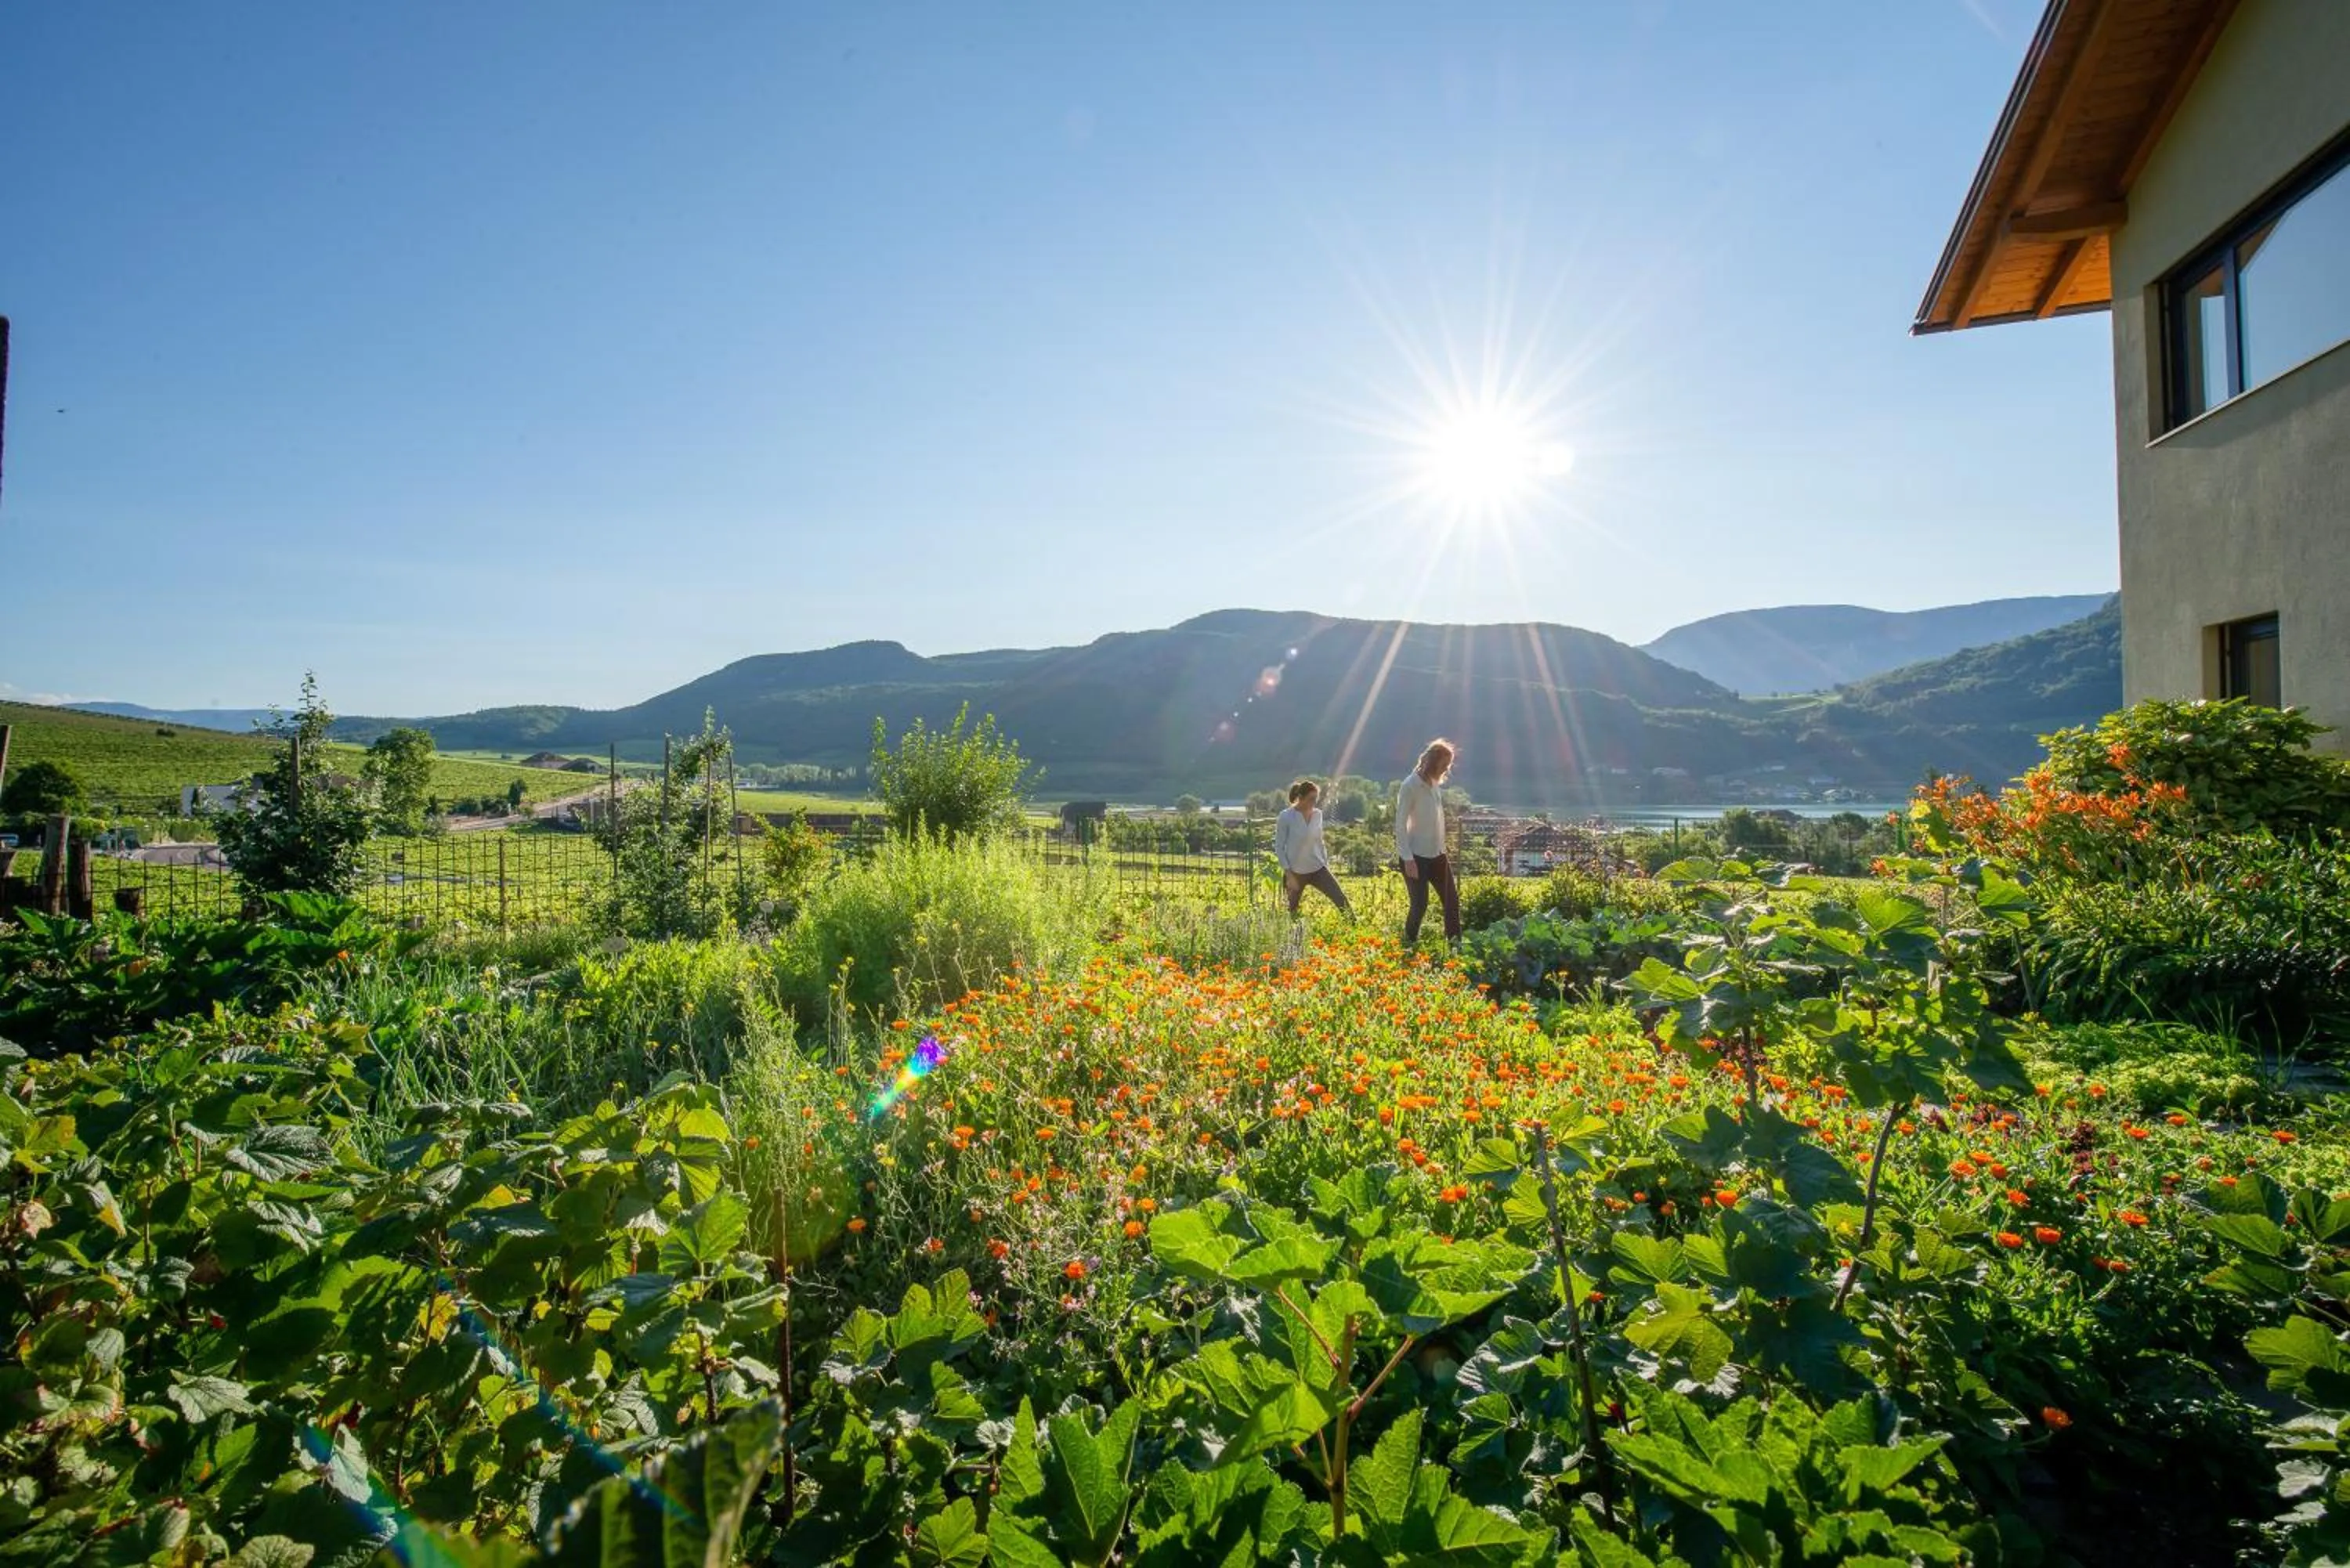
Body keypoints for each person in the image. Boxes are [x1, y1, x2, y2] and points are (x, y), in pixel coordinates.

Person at [1395, 739, 1460, 947]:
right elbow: (1400, 825)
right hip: (1415, 857)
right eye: (1444, 765)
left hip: (1438, 855)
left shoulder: (1434, 783)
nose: (1446, 769)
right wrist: (1408, 859)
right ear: (1433, 763)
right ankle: (1409, 945)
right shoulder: (1410, 786)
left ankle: (1455, 946)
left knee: (1452, 902)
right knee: (1420, 905)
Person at [1273, 779, 1351, 917]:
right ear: (1301, 798)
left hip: (1317, 869)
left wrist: (1325, 864)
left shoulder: (1318, 815)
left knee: (1342, 902)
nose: (1314, 803)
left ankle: (1356, 931)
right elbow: (1279, 847)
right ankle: (1293, 938)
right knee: (1292, 913)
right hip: (1295, 873)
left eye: (1316, 799)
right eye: (1311, 799)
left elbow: (1319, 841)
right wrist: (1289, 874)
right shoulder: (1286, 817)